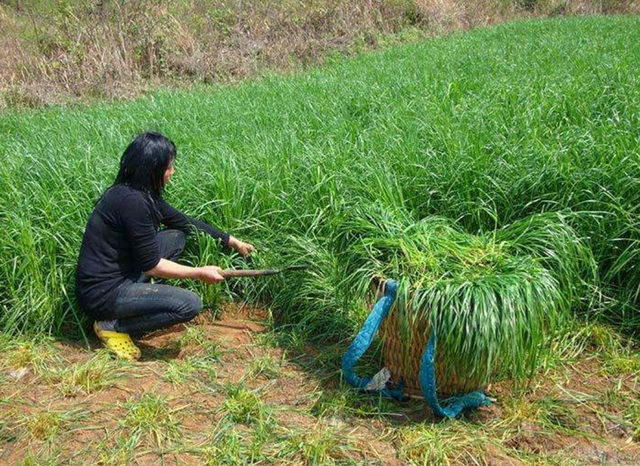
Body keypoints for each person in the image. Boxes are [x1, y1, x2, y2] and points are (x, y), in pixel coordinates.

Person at [75, 132, 254, 360]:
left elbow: (184, 222)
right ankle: (113, 324)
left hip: (122, 272)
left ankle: (143, 299)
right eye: (169, 167)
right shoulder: (133, 203)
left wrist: (231, 240)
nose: (173, 172)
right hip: (102, 293)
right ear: (153, 170)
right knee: (189, 304)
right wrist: (199, 273)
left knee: (176, 237)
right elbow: (151, 265)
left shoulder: (139, 192)